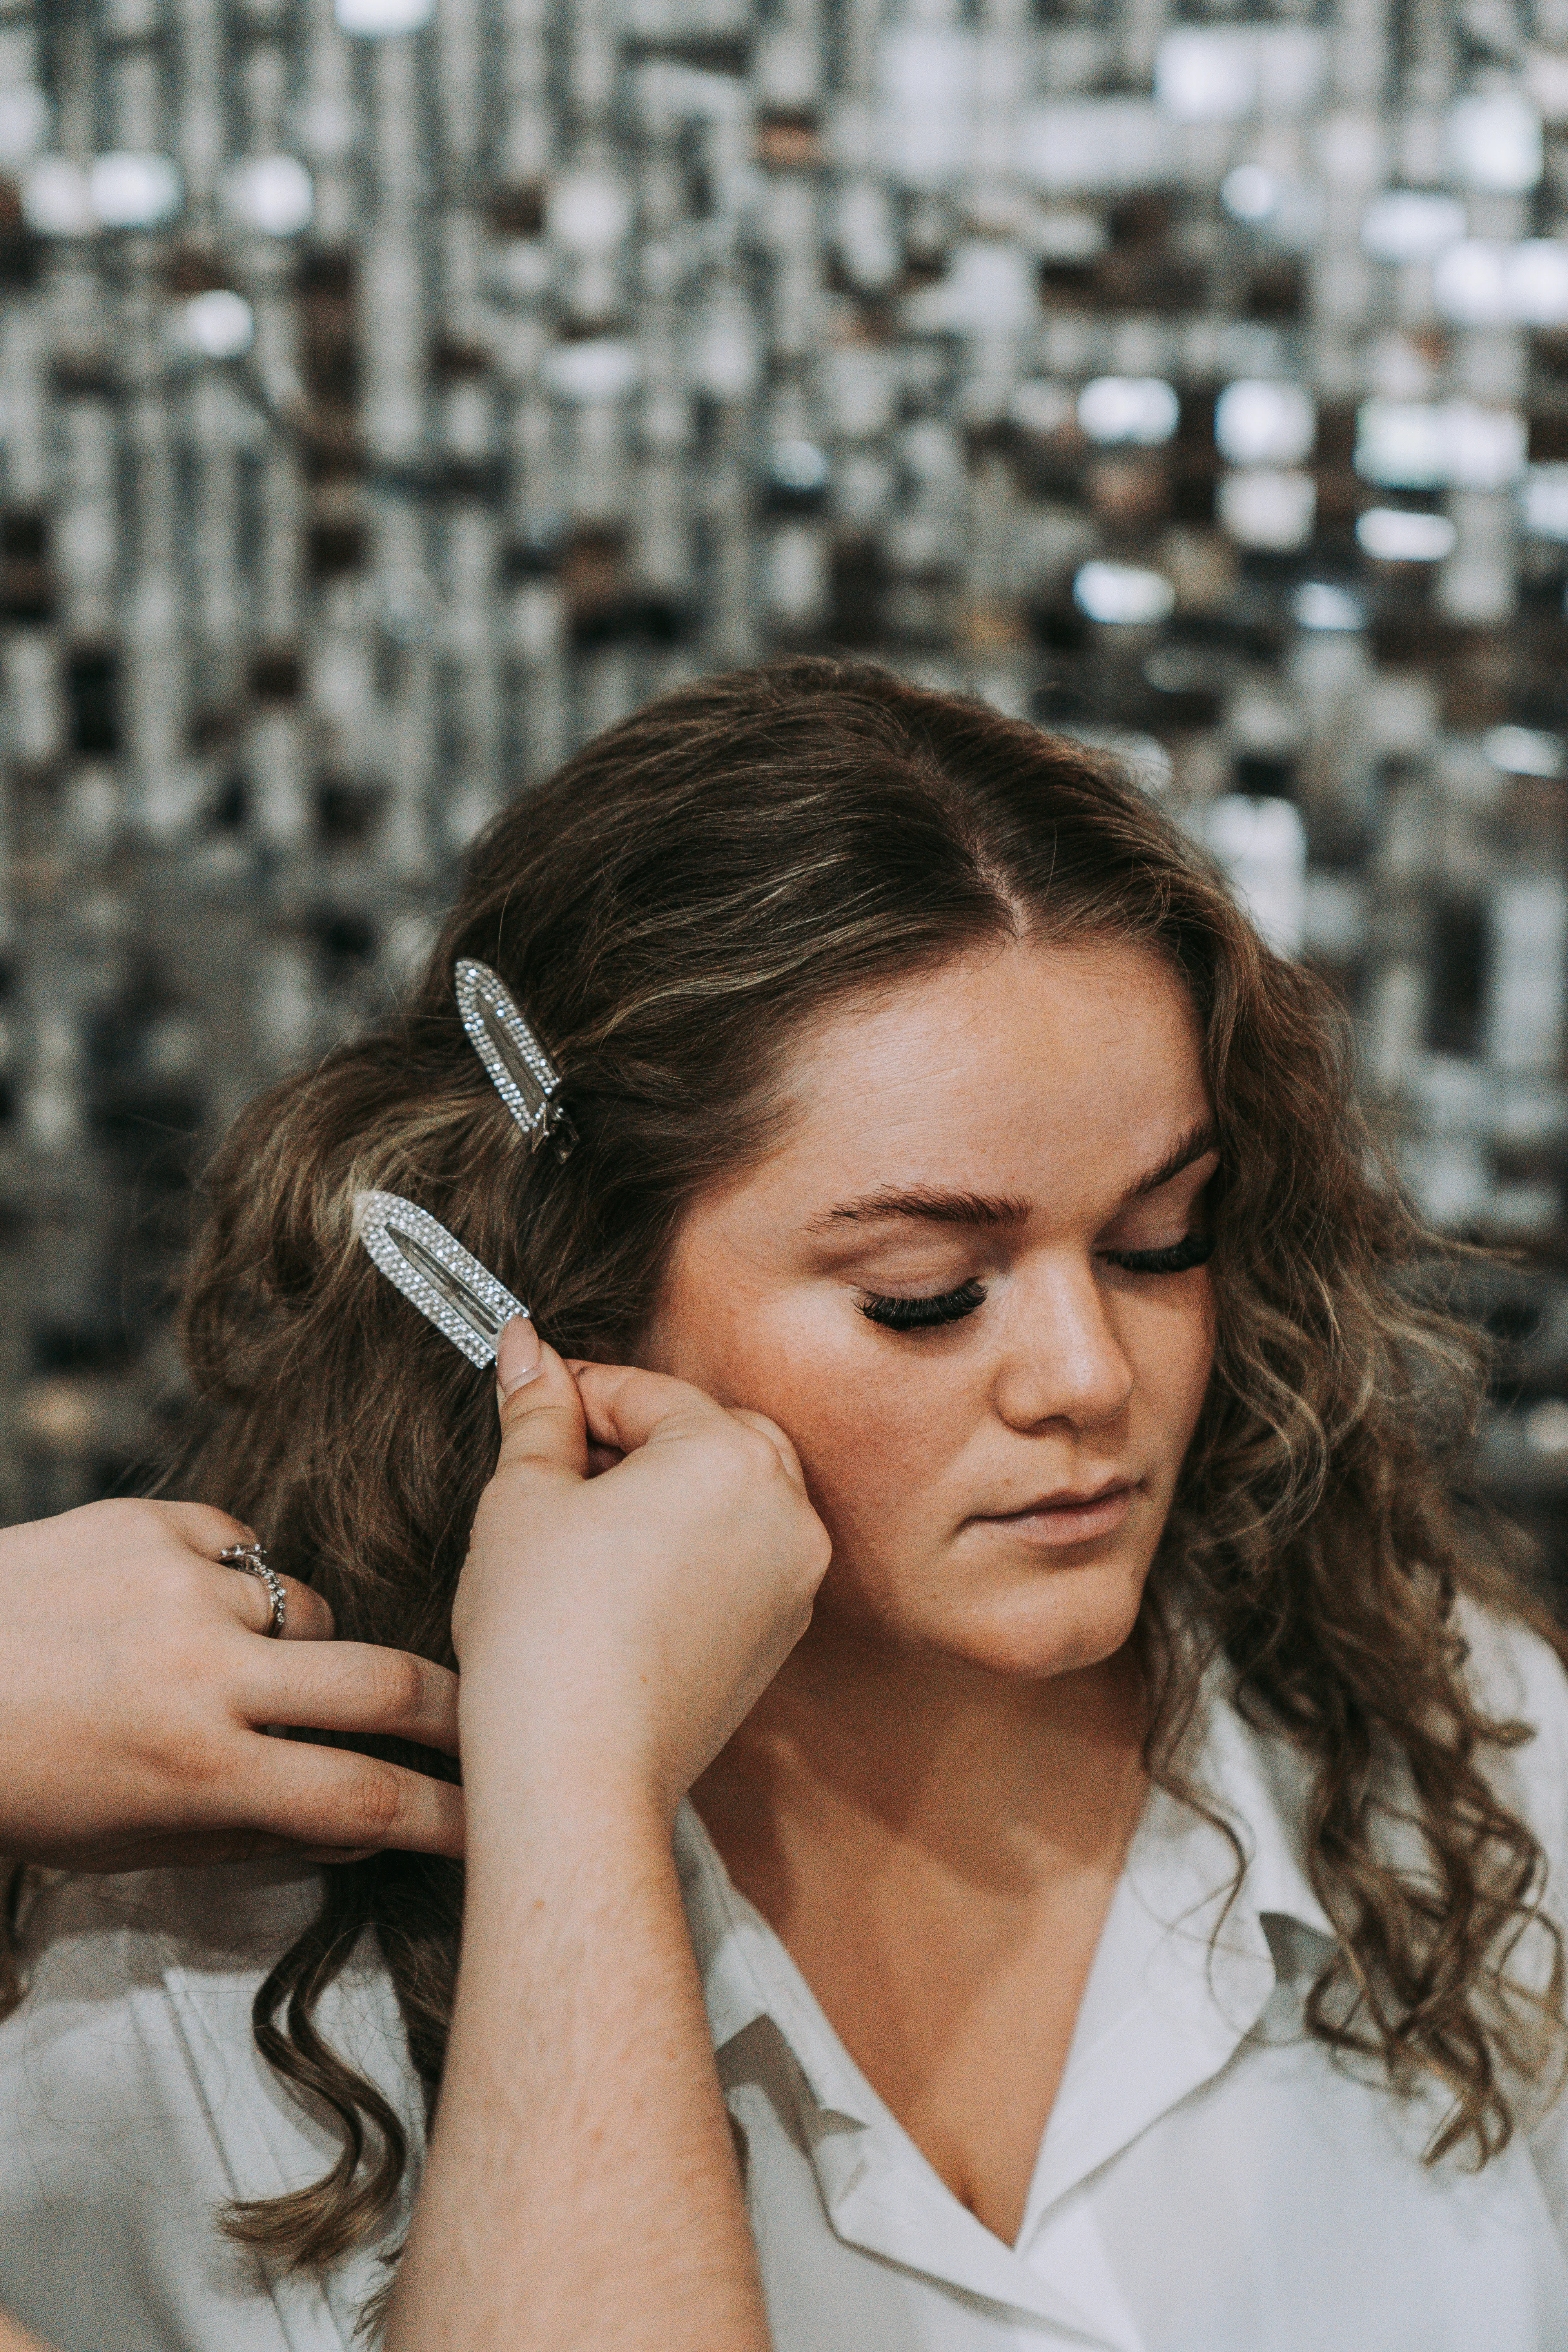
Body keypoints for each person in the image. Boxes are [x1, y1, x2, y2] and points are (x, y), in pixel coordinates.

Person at [5, 657, 1568, 2350]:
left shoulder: (1464, 1755)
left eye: (1156, 1243)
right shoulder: (188, 1977)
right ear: (573, 1297)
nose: (1087, 1375)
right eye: (921, 1290)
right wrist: (576, 1778)